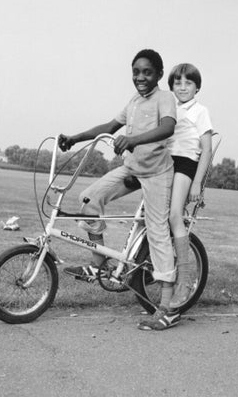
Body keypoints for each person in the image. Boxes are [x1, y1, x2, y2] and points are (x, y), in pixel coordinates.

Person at [58, 49, 180, 331]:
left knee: (157, 230)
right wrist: (75, 138)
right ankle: (99, 265)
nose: (140, 77)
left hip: (158, 174)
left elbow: (168, 128)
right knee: (89, 197)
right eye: (136, 72)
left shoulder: (165, 98)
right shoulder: (134, 101)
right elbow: (110, 126)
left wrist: (133, 139)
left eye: (147, 72)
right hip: (132, 169)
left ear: (159, 74)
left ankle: (168, 308)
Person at [166, 63, 213, 309]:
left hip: (185, 164)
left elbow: (206, 149)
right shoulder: (170, 108)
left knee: (175, 216)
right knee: (153, 218)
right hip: (165, 164)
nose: (182, 87)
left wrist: (197, 184)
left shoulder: (200, 111)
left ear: (197, 88)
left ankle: (183, 282)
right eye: (178, 82)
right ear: (171, 86)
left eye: (188, 83)